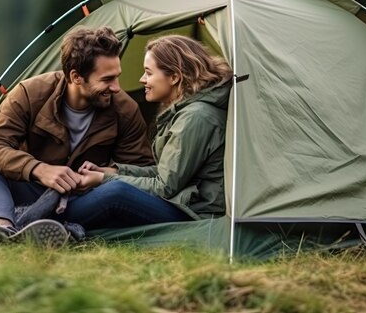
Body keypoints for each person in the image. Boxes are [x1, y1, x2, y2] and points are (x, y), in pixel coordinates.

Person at [0, 26, 154, 235]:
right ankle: (1, 230)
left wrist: (105, 174)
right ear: (76, 76)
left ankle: (37, 227)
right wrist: (38, 169)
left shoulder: (125, 110)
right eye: (107, 79)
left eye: (117, 76)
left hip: (80, 201)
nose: (116, 87)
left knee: (116, 193)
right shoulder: (29, 94)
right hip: (34, 189)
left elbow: (141, 172)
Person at [53, 35, 233, 229]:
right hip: (183, 202)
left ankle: (46, 221)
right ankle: (47, 217)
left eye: (148, 73)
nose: (142, 79)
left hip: (194, 213)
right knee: (112, 190)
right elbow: (168, 173)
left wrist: (104, 179)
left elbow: (164, 187)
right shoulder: (189, 111)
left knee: (116, 193)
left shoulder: (196, 118)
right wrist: (115, 171)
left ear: (174, 77)